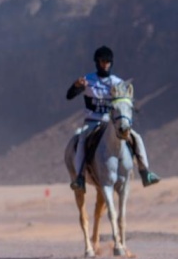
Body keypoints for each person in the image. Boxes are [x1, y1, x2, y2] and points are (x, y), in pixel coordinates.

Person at [66, 45, 161, 192]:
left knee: (137, 137)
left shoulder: (118, 83)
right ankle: (79, 177)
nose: (105, 64)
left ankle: (145, 172)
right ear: (97, 62)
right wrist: (76, 86)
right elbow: (69, 96)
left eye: (107, 61)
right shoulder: (88, 80)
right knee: (81, 141)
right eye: (102, 61)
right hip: (92, 121)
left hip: (111, 122)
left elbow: (125, 103)